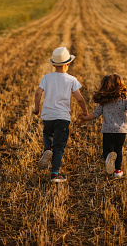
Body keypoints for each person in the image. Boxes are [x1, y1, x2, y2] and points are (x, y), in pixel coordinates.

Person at [32, 47, 88, 183]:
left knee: (47, 135)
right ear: (68, 64)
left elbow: (38, 93)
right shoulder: (71, 79)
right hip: (62, 117)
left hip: (47, 116)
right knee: (59, 146)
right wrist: (85, 110)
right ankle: (55, 174)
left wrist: (36, 108)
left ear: (53, 64)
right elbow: (79, 98)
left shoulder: (46, 77)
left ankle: (47, 149)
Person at [78, 73, 127, 178]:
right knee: (118, 150)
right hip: (121, 131)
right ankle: (118, 171)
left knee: (107, 151)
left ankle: (108, 157)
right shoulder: (125, 100)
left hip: (108, 131)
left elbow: (95, 115)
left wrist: (84, 118)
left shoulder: (104, 102)